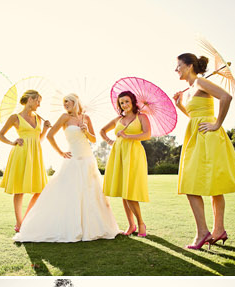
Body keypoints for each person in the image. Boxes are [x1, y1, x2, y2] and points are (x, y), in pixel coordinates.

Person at [15, 94, 119, 244]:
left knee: (92, 193)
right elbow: (50, 135)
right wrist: (60, 152)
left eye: (67, 101)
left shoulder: (86, 118)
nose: (65, 104)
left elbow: (94, 139)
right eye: (64, 102)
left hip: (88, 159)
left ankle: (93, 228)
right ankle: (70, 227)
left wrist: (86, 131)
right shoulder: (64, 117)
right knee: (70, 192)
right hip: (73, 159)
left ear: (75, 102)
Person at [174, 51, 235, 249]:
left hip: (208, 136)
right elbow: (193, 114)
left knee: (195, 185)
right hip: (195, 136)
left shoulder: (200, 82)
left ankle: (204, 232)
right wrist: (180, 105)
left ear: (189, 66)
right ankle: (217, 230)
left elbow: (226, 97)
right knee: (197, 185)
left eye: (178, 65)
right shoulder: (189, 89)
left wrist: (217, 124)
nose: (176, 69)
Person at [0, 90, 50, 233]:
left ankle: (27, 218)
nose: (39, 104)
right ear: (30, 100)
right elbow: (0, 135)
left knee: (39, 190)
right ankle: (19, 223)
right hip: (21, 154)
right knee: (19, 190)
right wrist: (12, 142)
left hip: (35, 155)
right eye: (38, 101)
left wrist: (44, 130)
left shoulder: (39, 118)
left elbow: (38, 140)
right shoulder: (15, 117)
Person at [101, 89, 150, 236]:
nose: (124, 104)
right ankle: (131, 225)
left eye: (127, 101)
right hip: (119, 154)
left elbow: (147, 135)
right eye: (121, 102)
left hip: (134, 154)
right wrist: (110, 141)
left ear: (133, 101)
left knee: (130, 191)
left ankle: (141, 223)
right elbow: (102, 130)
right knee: (124, 190)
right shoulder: (118, 119)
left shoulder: (142, 117)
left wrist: (127, 135)